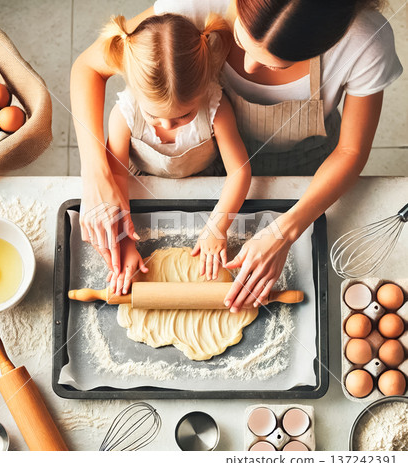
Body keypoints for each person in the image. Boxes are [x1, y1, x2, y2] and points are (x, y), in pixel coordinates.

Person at [70, 0, 402, 310]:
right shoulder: (195, 5)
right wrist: (97, 176)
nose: (249, 65)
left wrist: (284, 231)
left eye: (275, 61)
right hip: (211, 164)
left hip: (307, 171)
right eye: (242, 42)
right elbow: (88, 67)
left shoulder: (364, 40)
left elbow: (351, 151)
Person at [83, 13, 251, 295]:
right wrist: (125, 242)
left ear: (202, 89)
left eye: (184, 115)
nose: (168, 126)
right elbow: (116, 177)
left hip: (204, 179)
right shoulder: (123, 116)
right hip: (142, 183)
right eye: (154, 116)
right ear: (137, 94)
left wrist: (217, 226)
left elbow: (239, 171)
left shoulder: (216, 108)